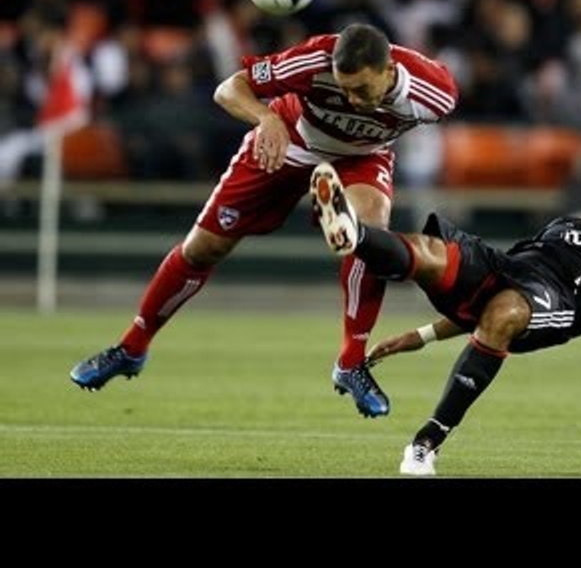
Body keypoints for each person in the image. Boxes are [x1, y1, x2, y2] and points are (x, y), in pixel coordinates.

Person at [69, 23, 459, 418]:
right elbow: (228, 88)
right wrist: (265, 118)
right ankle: (131, 347)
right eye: (344, 89)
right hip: (288, 140)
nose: (352, 99)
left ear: (388, 69)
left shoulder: (435, 93)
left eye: (361, 89)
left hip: (361, 157)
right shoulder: (314, 60)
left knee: (370, 234)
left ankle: (351, 362)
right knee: (204, 249)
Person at [311, 157, 581, 477]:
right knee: (430, 250)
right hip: (505, 270)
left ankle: (426, 443)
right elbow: (493, 291)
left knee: (506, 311)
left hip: (555, 302)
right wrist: (422, 336)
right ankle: (353, 233)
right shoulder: (567, 225)